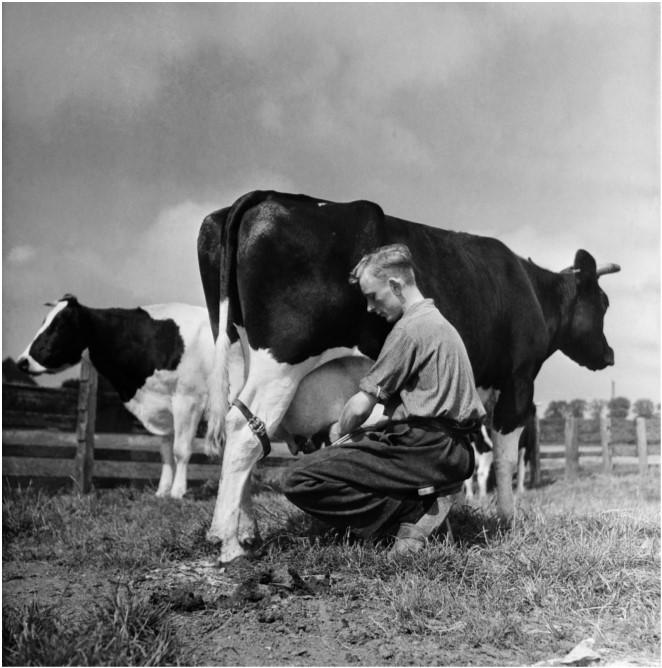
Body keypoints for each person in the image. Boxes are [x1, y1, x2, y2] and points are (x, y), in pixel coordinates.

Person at [283, 243, 486, 556]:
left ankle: (409, 516)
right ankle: (417, 506)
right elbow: (405, 410)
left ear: (395, 285)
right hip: (452, 450)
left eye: (372, 296)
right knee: (360, 450)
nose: (369, 307)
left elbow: (360, 406)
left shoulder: (408, 330)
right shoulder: (439, 324)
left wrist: (339, 432)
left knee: (298, 478)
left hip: (424, 448)